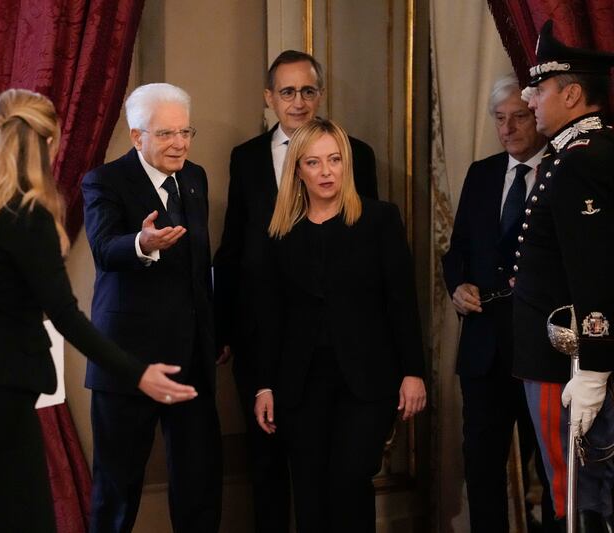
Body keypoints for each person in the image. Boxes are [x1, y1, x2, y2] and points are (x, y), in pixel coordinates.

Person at [0, 88, 197, 532]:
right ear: (49, 142)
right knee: (28, 517)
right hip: (3, 384)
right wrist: (137, 373)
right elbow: (65, 314)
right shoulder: (29, 214)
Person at [213, 49, 378, 533]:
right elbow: (232, 247)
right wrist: (222, 325)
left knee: (333, 469)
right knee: (266, 462)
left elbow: (368, 251)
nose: (299, 101)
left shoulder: (357, 156)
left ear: (320, 94)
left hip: (334, 341)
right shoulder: (245, 158)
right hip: (261, 334)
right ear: (269, 99)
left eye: (308, 90)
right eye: (287, 91)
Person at [253, 117, 426, 533]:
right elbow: (269, 316)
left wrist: (413, 372)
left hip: (367, 381)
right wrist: (264, 384)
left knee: (350, 481)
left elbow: (401, 301)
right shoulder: (280, 232)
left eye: (334, 160)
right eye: (314, 162)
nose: (326, 171)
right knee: (309, 491)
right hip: (300, 382)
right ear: (297, 169)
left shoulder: (380, 220)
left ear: (346, 163)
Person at [82, 83, 222, 533]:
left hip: (191, 358)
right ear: (136, 135)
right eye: (165, 134)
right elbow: (104, 248)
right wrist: (142, 242)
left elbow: (201, 268)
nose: (179, 143)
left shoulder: (195, 178)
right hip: (127, 358)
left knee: (198, 486)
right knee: (117, 491)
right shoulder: (103, 180)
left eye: (185, 132)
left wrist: (214, 332)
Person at [442, 73, 554, 531]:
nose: (507, 128)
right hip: (484, 349)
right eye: (499, 119)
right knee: (481, 468)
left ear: (539, 119)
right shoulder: (482, 174)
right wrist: (458, 287)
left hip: (541, 351)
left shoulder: (562, 172)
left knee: (550, 471)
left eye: (519, 118)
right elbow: (458, 251)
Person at [515, 20, 614, 530]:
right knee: (571, 491)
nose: (530, 99)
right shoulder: (570, 154)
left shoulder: (585, 159)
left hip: (569, 359)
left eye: (541, 88)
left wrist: (595, 367)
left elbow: (594, 270)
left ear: (572, 93)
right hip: (551, 354)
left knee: (577, 497)